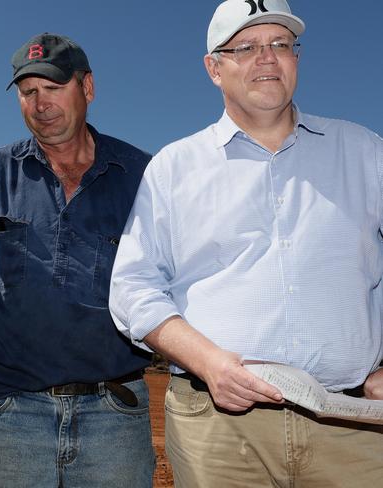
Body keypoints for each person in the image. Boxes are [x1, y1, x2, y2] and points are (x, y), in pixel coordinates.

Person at [109, 0, 383, 486]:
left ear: (296, 58)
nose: (268, 58)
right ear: (214, 67)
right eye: (247, 47)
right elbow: (133, 286)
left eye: (281, 44)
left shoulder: (363, 150)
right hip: (219, 430)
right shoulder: (175, 167)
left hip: (353, 427)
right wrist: (207, 362)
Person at [0, 33, 155, 487]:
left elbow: (164, 281)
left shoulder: (143, 175)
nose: (40, 103)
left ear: (87, 88)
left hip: (115, 411)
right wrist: (31, 336)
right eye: (28, 92)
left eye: (53, 87)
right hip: (11, 411)